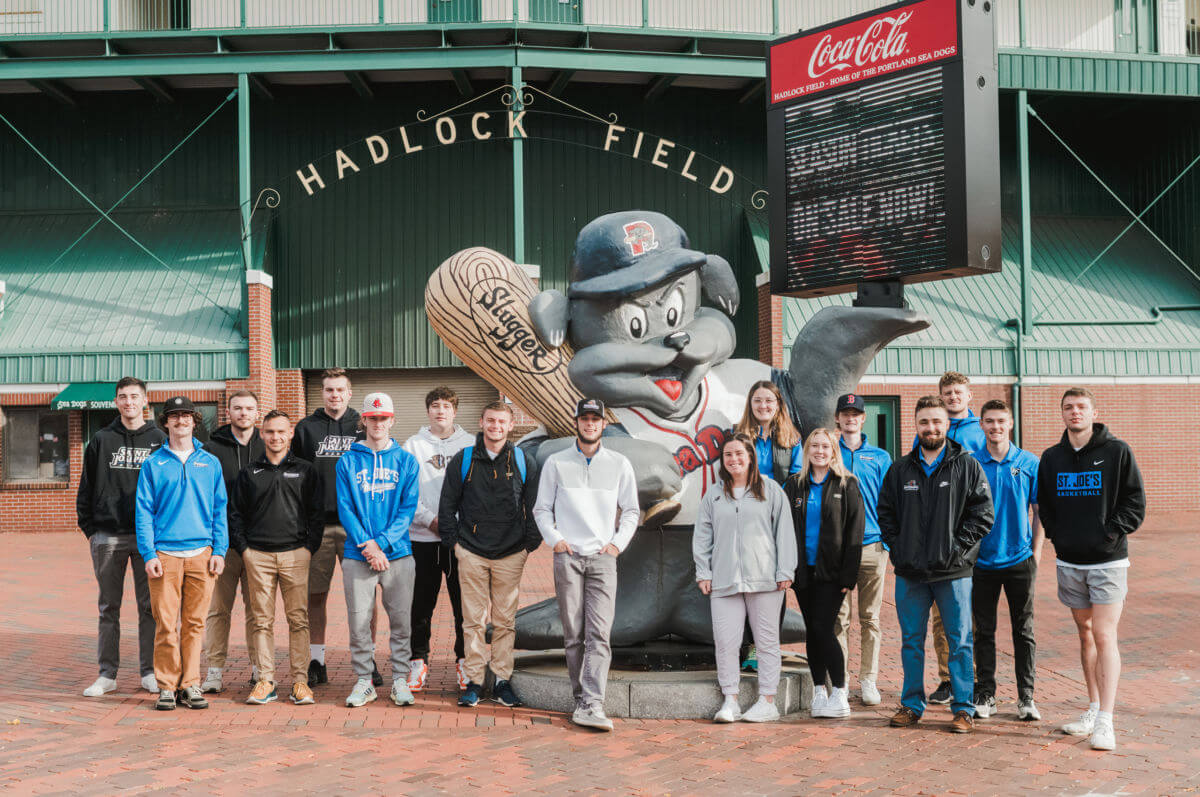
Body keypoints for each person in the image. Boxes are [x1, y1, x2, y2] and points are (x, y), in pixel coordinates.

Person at [1038, 388, 1145, 751]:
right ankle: (1093, 707)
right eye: (1068, 407)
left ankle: (1106, 722)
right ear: (1062, 414)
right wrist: (1058, 536)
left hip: (1108, 561)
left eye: (1081, 407)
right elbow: (1046, 505)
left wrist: (1110, 532)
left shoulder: (1117, 452)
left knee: (1103, 633)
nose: (1075, 413)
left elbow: (1135, 502)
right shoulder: (1052, 457)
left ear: (1093, 412)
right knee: (1085, 634)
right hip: (1070, 561)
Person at [879, 395, 993, 734]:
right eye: (925, 422)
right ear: (916, 426)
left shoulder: (967, 466)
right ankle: (912, 705)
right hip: (911, 573)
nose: (931, 427)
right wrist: (899, 550)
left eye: (937, 421)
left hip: (953, 573)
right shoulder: (900, 469)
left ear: (947, 425)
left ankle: (963, 709)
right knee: (912, 641)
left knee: (959, 641)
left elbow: (983, 514)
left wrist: (957, 550)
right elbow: (885, 514)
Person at [533, 398, 640, 731]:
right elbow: (541, 509)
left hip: (602, 559)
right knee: (573, 635)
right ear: (576, 422)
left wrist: (616, 546)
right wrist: (556, 541)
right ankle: (583, 701)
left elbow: (632, 511)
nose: (590, 424)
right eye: (585, 418)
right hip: (568, 557)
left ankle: (592, 702)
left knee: (599, 634)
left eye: (596, 419)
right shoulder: (555, 462)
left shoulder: (620, 463)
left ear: (604, 423)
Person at [438, 401, 541, 708]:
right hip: (472, 552)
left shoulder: (524, 461)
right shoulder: (464, 459)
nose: (496, 426)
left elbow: (535, 507)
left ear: (511, 426)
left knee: (505, 621)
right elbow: (447, 506)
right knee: (472, 621)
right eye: (491, 421)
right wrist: (455, 544)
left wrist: (528, 545)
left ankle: (501, 681)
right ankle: (474, 681)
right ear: (481, 422)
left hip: (511, 553)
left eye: (502, 422)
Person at [694, 434, 797, 724]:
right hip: (724, 582)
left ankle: (767, 700)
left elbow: (785, 532)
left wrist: (785, 570)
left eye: (739, 453)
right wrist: (704, 571)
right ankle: (731, 700)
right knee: (725, 642)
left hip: (765, 580)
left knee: (766, 641)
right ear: (723, 460)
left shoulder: (771, 490)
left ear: (750, 456)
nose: (734, 459)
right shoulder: (714, 494)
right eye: (728, 455)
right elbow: (702, 536)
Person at [134, 396, 228, 711]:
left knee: (194, 623)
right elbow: (143, 512)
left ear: (194, 420)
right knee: (165, 623)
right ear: (166, 422)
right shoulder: (153, 463)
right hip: (165, 554)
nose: (180, 421)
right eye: (174, 416)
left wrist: (220, 549)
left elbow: (220, 510)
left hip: (202, 553)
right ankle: (166, 686)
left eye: (186, 415)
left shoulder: (210, 462)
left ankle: (190, 685)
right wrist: (148, 554)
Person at [78, 376, 166, 697]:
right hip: (108, 536)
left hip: (149, 540)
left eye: (134, 396)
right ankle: (107, 675)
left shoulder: (160, 439)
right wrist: (92, 530)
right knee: (108, 608)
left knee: (150, 608)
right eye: (122, 397)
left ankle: (150, 672)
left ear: (145, 400)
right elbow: (86, 487)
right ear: (116, 401)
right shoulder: (102, 439)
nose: (129, 402)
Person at [230, 410, 325, 706]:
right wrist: (244, 549)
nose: (276, 437)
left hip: (296, 554)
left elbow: (316, 513)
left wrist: (309, 547)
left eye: (281, 431)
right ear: (262, 434)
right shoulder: (249, 473)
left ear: (291, 434)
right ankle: (265, 681)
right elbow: (235, 514)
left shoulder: (306, 470)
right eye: (270, 432)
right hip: (257, 555)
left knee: (298, 620)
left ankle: (300, 682)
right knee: (261, 621)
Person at [336, 392, 420, 708]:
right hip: (359, 554)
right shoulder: (348, 460)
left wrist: (381, 544)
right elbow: (345, 508)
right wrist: (369, 546)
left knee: (400, 620)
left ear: (392, 420)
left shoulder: (406, 460)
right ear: (365, 421)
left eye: (383, 418)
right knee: (359, 621)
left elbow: (407, 508)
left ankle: (400, 679)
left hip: (397, 553)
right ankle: (364, 680)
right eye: (373, 418)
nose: (378, 423)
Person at [292, 368, 372, 687]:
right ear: (321, 393)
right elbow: (295, 476)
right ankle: (316, 660)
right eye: (328, 390)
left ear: (349, 393)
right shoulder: (306, 429)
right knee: (315, 596)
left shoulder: (363, 425)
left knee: (364, 599)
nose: (334, 395)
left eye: (340, 390)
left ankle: (368, 660)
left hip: (357, 527)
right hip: (319, 527)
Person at [910, 372, 986, 706]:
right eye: (947, 393)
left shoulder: (981, 430)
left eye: (958, 392)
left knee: (978, 617)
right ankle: (948, 679)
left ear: (970, 395)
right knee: (944, 618)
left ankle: (980, 681)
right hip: (943, 543)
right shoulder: (928, 434)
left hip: (979, 535)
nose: (953, 396)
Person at [785, 427, 864, 720]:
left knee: (823, 629)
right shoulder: (794, 485)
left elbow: (855, 530)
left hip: (832, 573)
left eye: (825, 446)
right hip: (802, 572)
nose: (819, 451)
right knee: (813, 631)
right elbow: (784, 528)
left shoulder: (847, 484)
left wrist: (849, 575)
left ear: (834, 451)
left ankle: (840, 691)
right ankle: (819, 691)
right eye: (814, 446)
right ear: (807, 451)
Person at [971, 399, 1043, 721]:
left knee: (1023, 630)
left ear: (1010, 423)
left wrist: (1037, 550)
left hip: (1019, 558)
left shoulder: (1029, 462)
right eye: (989, 421)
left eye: (1001, 421)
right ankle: (986, 693)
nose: (995, 427)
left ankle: (1026, 697)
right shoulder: (972, 464)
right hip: (982, 563)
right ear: (982, 425)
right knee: (983, 631)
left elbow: (1040, 510)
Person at [402, 386, 473, 692]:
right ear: (428, 410)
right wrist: (431, 521)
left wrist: (455, 526)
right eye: (435, 406)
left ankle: (464, 662)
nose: (440, 411)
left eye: (445, 406)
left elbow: (477, 492)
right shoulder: (413, 445)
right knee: (421, 604)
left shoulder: (471, 444)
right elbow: (407, 492)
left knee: (464, 605)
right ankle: (417, 661)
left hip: (461, 541)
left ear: (454, 411)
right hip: (423, 537)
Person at [733, 380, 802, 672]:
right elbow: (730, 471)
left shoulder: (792, 439)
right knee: (745, 583)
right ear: (751, 404)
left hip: (777, 519)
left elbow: (798, 478)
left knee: (776, 585)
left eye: (769, 401)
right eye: (758, 401)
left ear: (778, 406)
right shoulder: (738, 436)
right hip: (745, 518)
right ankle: (749, 649)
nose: (763, 406)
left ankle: (767, 646)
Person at [201, 390, 265, 693]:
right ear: (229, 412)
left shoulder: (267, 448)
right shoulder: (211, 450)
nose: (243, 413)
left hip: (257, 545)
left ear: (257, 413)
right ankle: (214, 671)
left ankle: (258, 669)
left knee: (258, 611)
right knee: (218, 610)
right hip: (221, 545)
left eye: (249, 408)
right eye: (237, 408)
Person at [832, 392, 892, 706]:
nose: (851, 418)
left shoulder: (880, 457)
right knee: (839, 619)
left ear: (863, 418)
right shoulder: (829, 453)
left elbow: (890, 502)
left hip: (872, 546)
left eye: (856, 414)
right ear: (838, 418)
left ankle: (868, 680)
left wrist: (888, 543)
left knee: (870, 619)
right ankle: (839, 682)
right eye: (845, 413)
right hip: (839, 549)